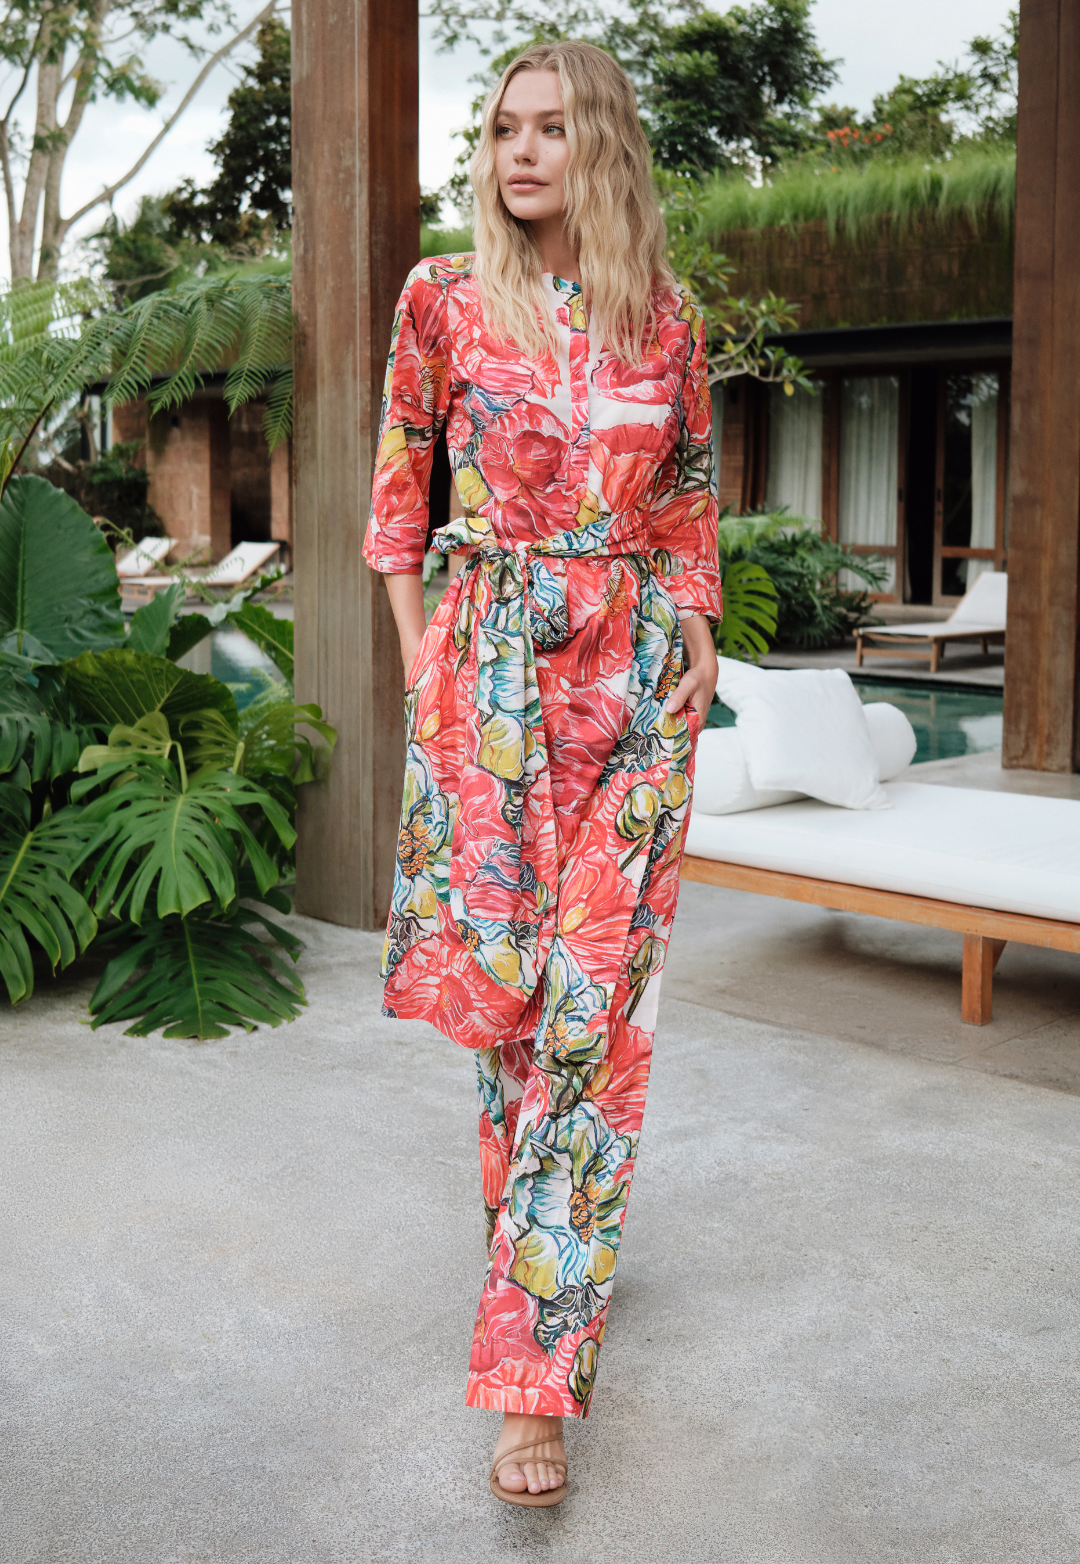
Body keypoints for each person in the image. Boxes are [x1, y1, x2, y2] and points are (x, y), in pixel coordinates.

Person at [363, 39, 721, 1507]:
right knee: (513, 1010)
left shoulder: (668, 316)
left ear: (604, 146)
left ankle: (533, 1385)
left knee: (593, 1021)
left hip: (636, 687)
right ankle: (540, 1249)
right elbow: (397, 507)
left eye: (552, 128)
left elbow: (691, 496)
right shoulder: (442, 299)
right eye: (504, 128)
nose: (522, 153)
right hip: (491, 685)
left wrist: (696, 627)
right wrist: (422, 672)